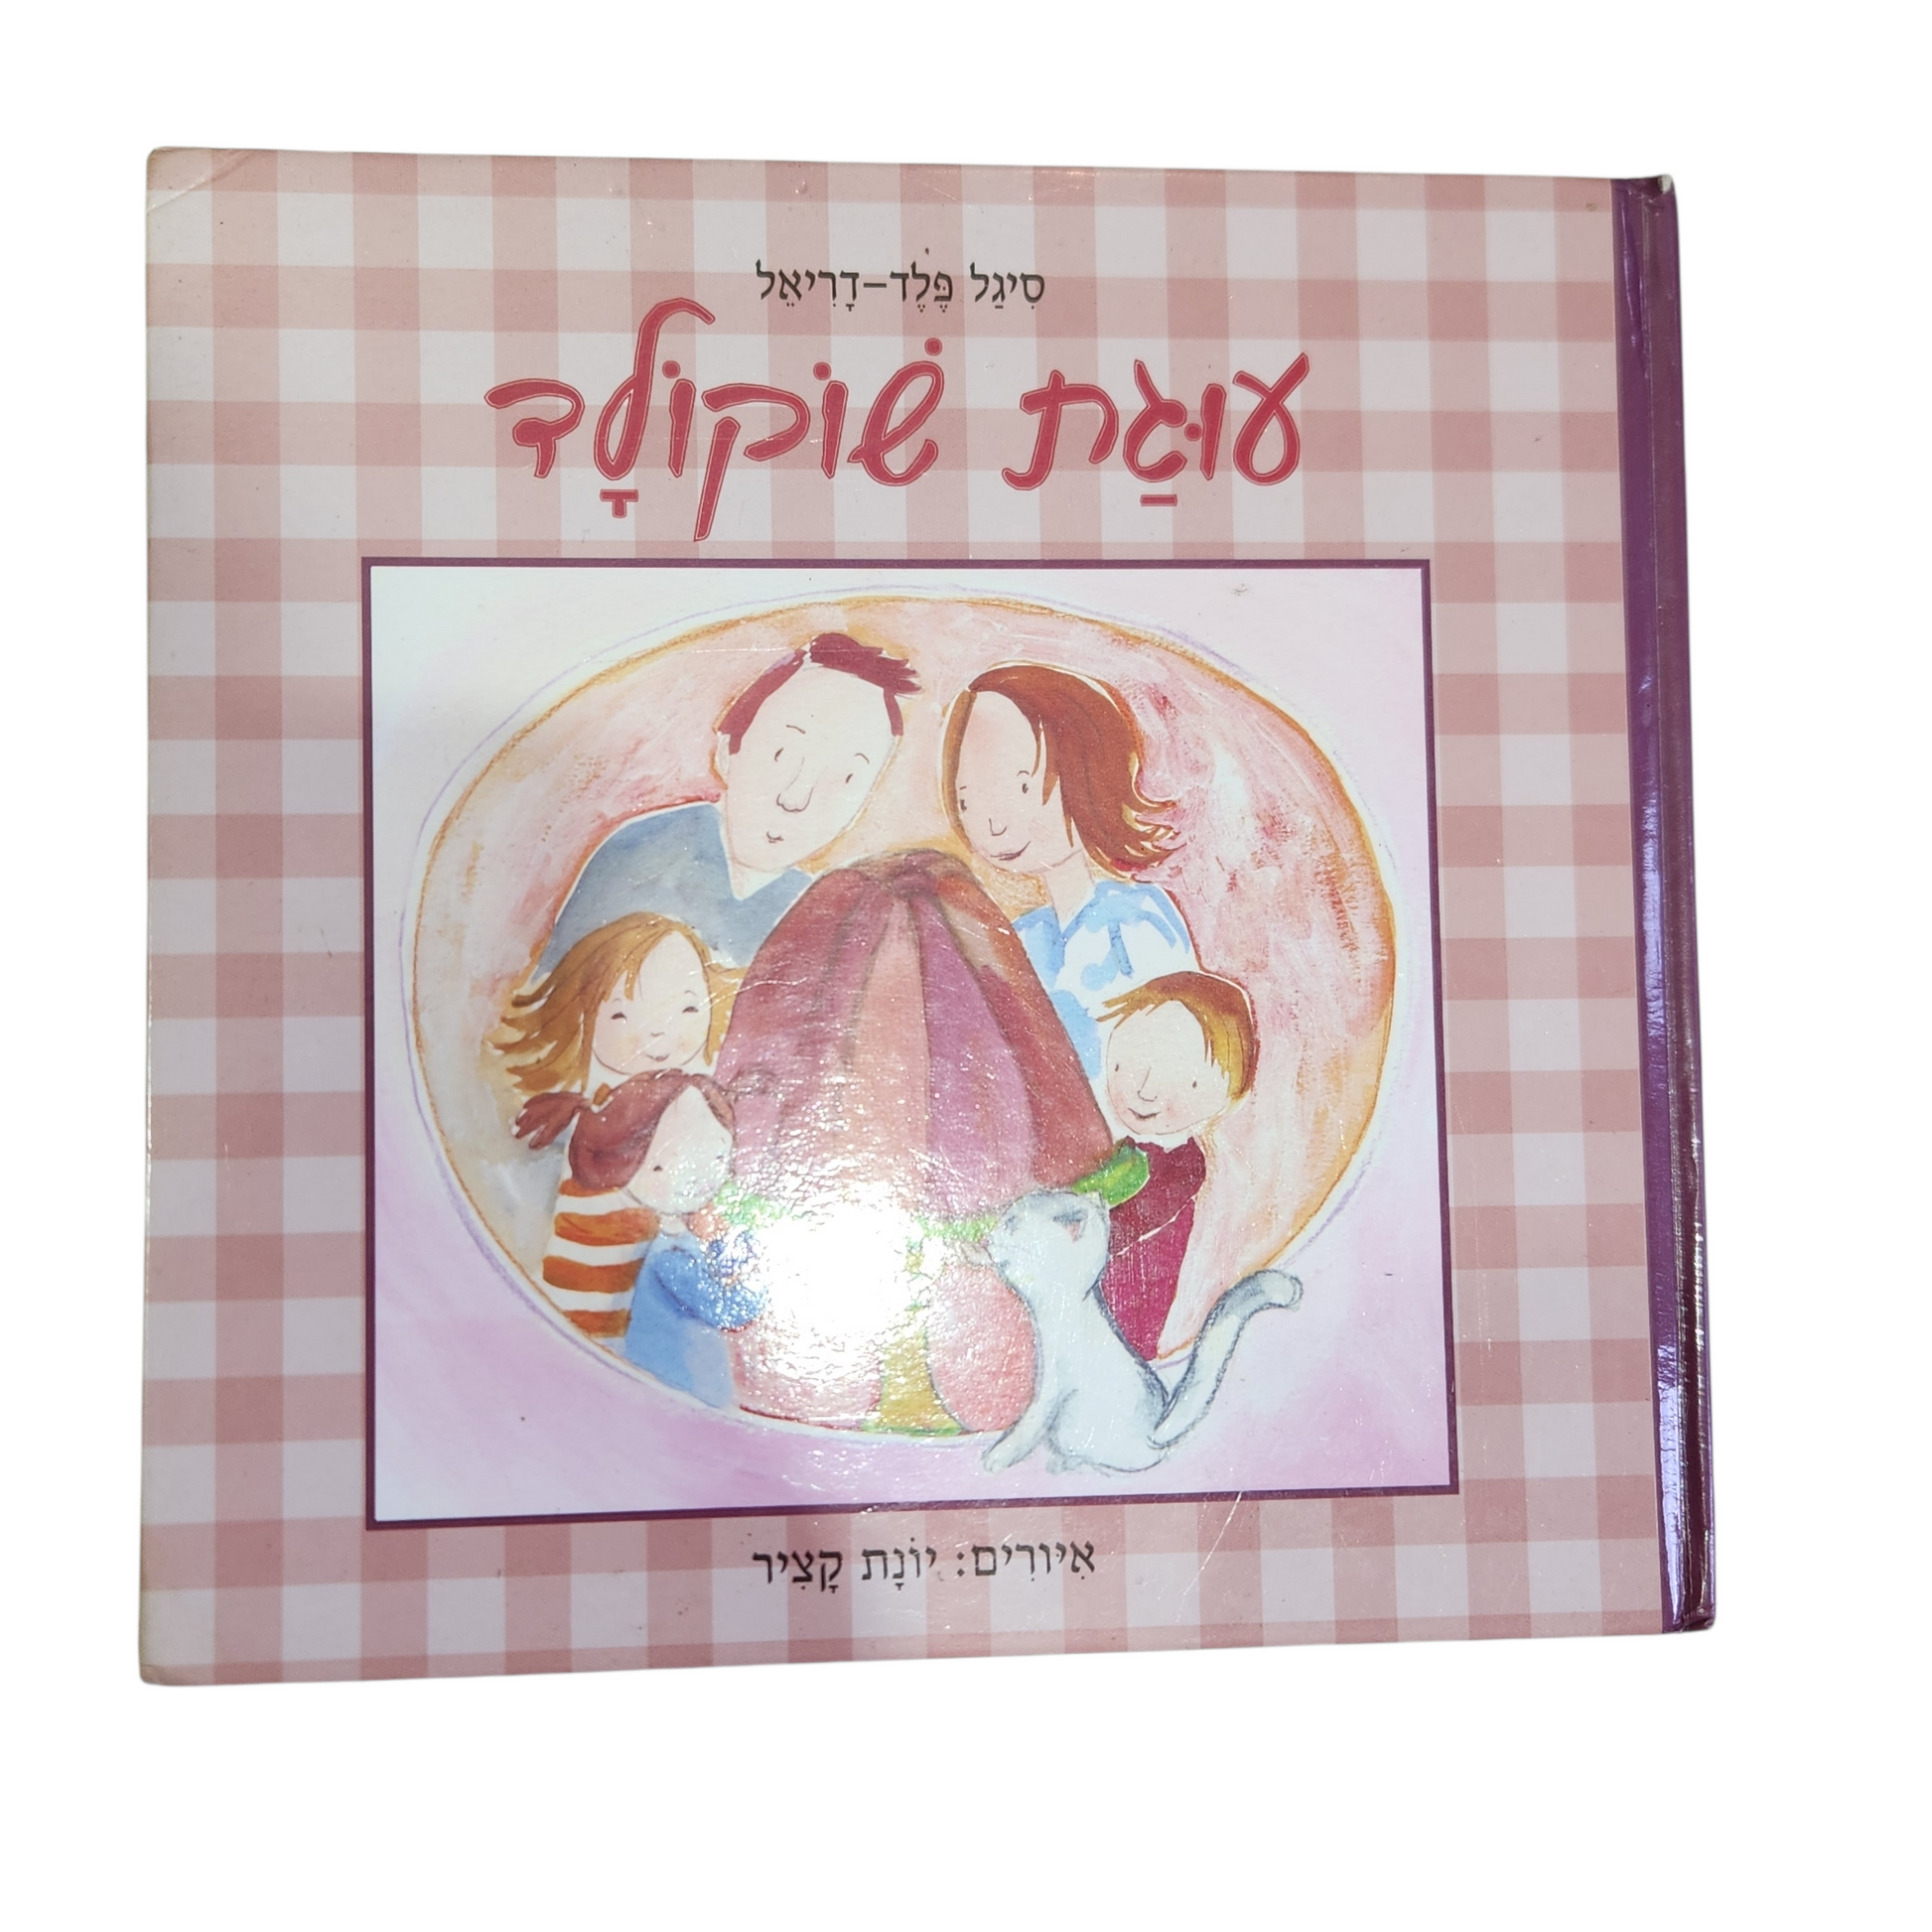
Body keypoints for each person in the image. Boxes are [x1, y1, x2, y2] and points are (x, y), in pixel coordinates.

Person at [541, 630, 920, 972]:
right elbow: (554, 1003)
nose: (795, 797)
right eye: (781, 754)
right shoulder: (641, 854)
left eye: (846, 779)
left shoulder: (818, 909)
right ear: (727, 749)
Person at [942, 662, 1195, 1079]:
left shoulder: (1138, 918)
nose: (994, 825)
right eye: (969, 800)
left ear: (1089, 773)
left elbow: (1182, 1051)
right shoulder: (1024, 937)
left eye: (1023, 787)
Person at [497, 912, 732, 1344]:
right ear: (583, 1016)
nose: (659, 1032)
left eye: (687, 1008)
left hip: (623, 1315)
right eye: (622, 1015)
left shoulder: (670, 1100)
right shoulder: (615, 1116)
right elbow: (660, 1190)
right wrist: (694, 1219)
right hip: (592, 1316)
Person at [1092, 971, 1257, 1361]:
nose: (1144, 1091)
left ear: (1231, 1094)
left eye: (1187, 1081)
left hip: (1125, 1317)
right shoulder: (1123, 1148)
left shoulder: (1183, 1164)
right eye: (1127, 1065)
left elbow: (1122, 1228)